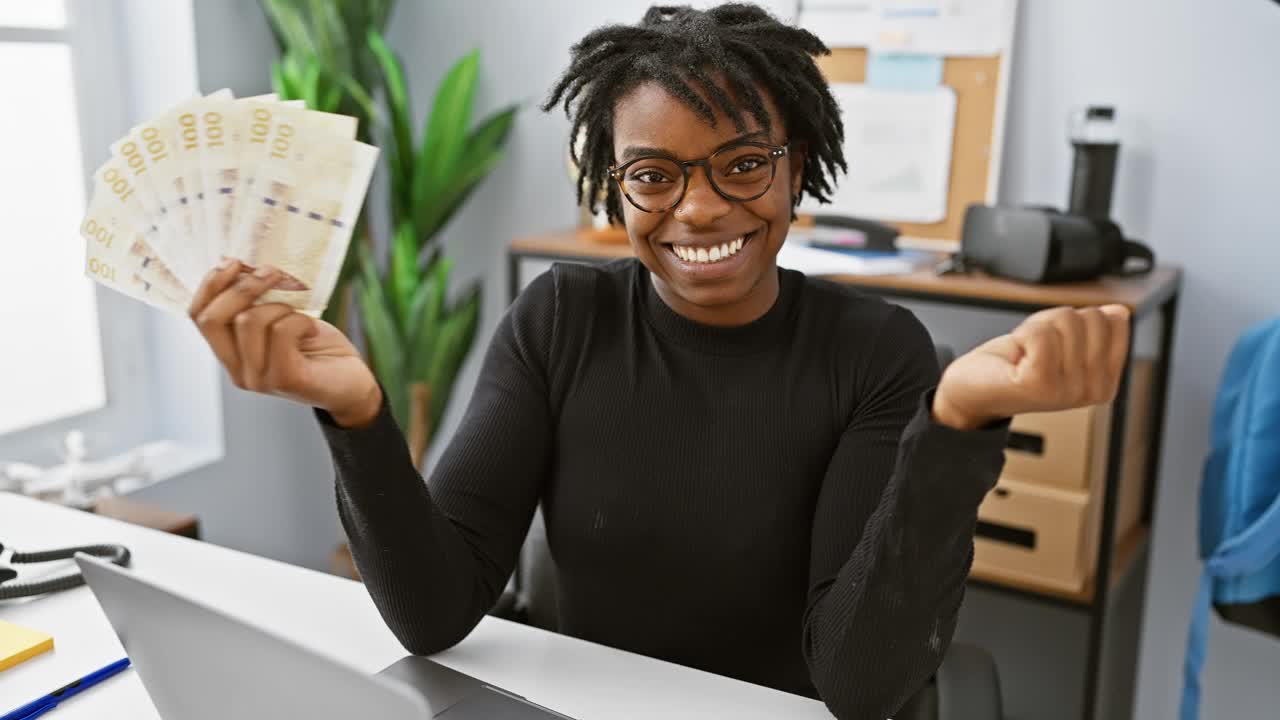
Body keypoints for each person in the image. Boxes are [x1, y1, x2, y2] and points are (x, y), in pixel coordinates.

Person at [187, 5, 1131, 718]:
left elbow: (858, 681)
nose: (701, 208)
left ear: (795, 168)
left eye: (743, 164)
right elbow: (436, 614)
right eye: (654, 175)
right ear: (616, 188)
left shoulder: (876, 350)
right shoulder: (560, 316)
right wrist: (358, 415)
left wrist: (957, 423)